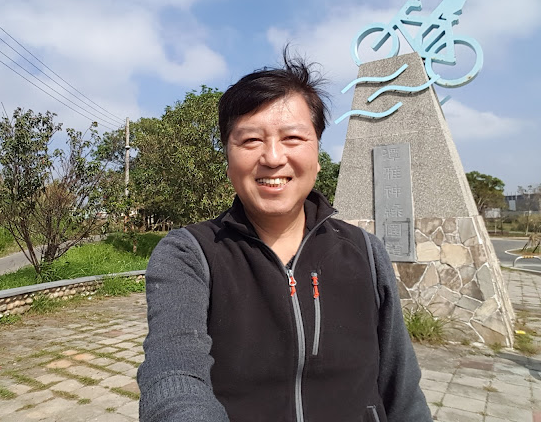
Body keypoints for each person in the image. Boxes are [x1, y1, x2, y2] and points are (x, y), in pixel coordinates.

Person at [137, 49, 432, 422]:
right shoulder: (189, 254)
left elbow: (402, 391)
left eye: (292, 137)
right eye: (250, 141)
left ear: (318, 154)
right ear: (228, 158)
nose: (273, 158)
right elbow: (172, 374)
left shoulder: (365, 252)